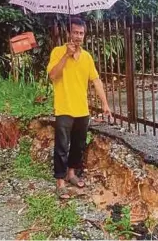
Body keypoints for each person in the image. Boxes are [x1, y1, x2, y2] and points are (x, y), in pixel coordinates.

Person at [47, 17, 111, 199]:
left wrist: (105, 103)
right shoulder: (58, 52)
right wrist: (66, 55)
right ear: (69, 33)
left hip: (82, 109)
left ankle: (71, 174)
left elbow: (96, 80)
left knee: (78, 145)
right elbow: (53, 75)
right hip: (64, 108)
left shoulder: (87, 57)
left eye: (81, 33)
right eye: (75, 32)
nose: (78, 36)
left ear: (85, 35)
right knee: (61, 146)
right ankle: (60, 182)